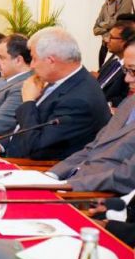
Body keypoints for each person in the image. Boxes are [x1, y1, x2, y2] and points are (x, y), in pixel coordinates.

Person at [0, 27, 110, 160]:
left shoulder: (78, 100)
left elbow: (37, 148)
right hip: (11, 155)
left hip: (32, 166)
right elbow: (24, 127)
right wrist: (0, 145)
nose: (31, 65)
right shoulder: (60, 81)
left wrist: (28, 102)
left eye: (34, 59)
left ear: (50, 61)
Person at [46, 36, 135, 193]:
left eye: (133, 71)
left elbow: (126, 177)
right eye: (126, 70)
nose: (127, 79)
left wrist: (67, 186)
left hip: (95, 196)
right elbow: (93, 147)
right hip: (71, 183)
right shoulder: (130, 102)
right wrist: (51, 176)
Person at [93, 0, 134, 68]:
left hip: (119, 47)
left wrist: (102, 25)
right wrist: (108, 26)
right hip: (104, 48)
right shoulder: (105, 5)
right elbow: (95, 29)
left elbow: (119, 23)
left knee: (117, 74)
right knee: (102, 74)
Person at [96, 21, 134, 108]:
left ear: (124, 42)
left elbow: (125, 99)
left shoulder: (130, 71)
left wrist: (105, 104)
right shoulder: (113, 63)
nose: (106, 40)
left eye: (111, 37)